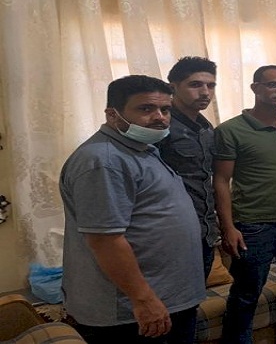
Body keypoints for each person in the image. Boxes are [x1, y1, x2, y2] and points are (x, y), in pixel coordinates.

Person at [60, 75, 205, 344]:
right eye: (146, 108)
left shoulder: (141, 149)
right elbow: (105, 240)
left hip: (167, 298)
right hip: (133, 311)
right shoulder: (103, 160)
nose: (159, 117)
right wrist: (144, 299)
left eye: (165, 109)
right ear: (112, 115)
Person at [214, 65, 276, 343]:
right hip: (254, 226)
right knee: (246, 295)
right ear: (255, 88)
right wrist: (228, 227)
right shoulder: (230, 130)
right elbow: (221, 180)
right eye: (273, 85)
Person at [156, 56, 218, 279]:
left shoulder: (205, 127)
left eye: (211, 85)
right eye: (195, 85)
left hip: (204, 230)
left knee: (196, 294)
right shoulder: (160, 126)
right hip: (171, 231)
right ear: (173, 88)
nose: (205, 92)